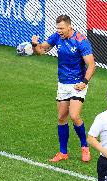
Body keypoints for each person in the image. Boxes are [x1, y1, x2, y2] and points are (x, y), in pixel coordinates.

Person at [31, 15, 96, 162]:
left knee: (74, 115)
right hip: (63, 83)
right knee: (61, 118)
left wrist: (84, 82)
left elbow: (91, 65)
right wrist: (35, 44)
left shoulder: (81, 41)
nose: (59, 31)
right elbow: (41, 51)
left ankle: (84, 147)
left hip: (78, 83)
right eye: (57, 28)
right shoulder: (56, 37)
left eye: (61, 28)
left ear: (69, 27)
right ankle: (63, 152)